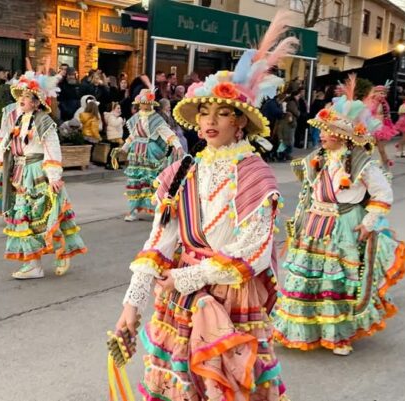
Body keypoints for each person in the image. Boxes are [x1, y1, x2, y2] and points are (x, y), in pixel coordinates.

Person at [115, 14, 297, 399]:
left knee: (224, 383)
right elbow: (158, 243)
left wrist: (188, 278)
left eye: (223, 112)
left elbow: (256, 252)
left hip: (228, 296)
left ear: (241, 122)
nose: (210, 120)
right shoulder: (182, 171)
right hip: (181, 298)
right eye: (204, 113)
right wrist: (131, 307)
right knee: (180, 382)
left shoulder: (255, 175)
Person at [272, 76, 405, 356]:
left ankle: (338, 335)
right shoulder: (318, 157)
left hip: (343, 223)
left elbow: (383, 194)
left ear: (344, 136)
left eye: (328, 131)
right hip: (314, 223)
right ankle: (304, 328)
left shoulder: (361, 163)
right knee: (307, 278)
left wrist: (368, 223)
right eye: (322, 130)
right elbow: (308, 186)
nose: (322, 135)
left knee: (336, 281)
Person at [0, 71, 87, 279]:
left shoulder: (43, 122)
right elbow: (4, 144)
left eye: (27, 97)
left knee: (46, 215)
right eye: (20, 96)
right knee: (24, 219)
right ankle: (34, 265)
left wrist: (53, 177)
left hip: (37, 172)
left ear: (36, 102)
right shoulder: (16, 121)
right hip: (19, 173)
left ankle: (62, 251)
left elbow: (52, 148)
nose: (22, 100)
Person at [121, 89, 184, 222]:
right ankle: (132, 211)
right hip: (136, 152)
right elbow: (132, 136)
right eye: (143, 103)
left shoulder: (156, 119)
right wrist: (123, 148)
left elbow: (167, 133)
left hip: (150, 151)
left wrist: (177, 145)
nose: (145, 106)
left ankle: (156, 208)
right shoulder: (136, 118)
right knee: (135, 181)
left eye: (147, 103)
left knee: (151, 180)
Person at [366, 83, 398, 168]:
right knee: (368, 148)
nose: (383, 95)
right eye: (381, 93)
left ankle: (386, 165)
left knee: (381, 149)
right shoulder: (371, 102)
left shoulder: (385, 104)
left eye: (384, 93)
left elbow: (387, 117)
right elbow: (368, 113)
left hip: (381, 128)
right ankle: (367, 164)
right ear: (375, 93)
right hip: (371, 128)